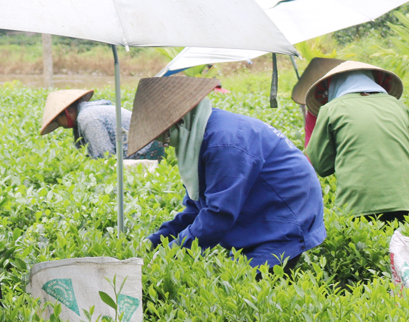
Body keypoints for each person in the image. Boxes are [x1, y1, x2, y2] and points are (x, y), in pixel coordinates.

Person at [129, 76, 326, 273]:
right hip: (260, 214)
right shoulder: (199, 135)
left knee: (250, 286)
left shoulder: (223, 141)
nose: (166, 142)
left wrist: (170, 254)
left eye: (165, 135)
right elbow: (196, 207)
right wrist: (154, 242)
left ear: (180, 121)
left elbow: (218, 213)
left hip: (283, 220)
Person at [293, 59, 409, 223]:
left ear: (332, 86)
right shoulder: (398, 106)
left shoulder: (331, 109)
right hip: (406, 203)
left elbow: (321, 166)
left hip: (357, 206)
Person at [39, 89, 165, 160]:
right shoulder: (88, 112)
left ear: (67, 112)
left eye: (57, 121)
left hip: (145, 152)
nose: (60, 125)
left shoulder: (87, 117)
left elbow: (105, 155)